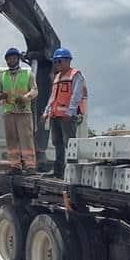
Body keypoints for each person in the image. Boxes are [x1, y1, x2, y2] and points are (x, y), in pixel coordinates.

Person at [42, 48, 88, 178]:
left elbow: (76, 94)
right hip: (55, 114)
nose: (57, 64)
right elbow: (53, 96)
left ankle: (73, 171)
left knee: (70, 143)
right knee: (57, 143)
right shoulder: (57, 76)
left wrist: (70, 111)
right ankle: (58, 171)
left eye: (59, 61)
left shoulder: (75, 74)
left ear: (68, 61)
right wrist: (46, 111)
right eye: (55, 62)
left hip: (67, 116)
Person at [0, 47, 38, 173]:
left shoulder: (27, 74)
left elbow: (35, 90)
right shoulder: (2, 76)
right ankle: (15, 165)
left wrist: (25, 97)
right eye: (9, 59)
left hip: (23, 111)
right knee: (11, 140)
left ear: (18, 59)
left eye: (13, 58)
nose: (11, 60)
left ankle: (30, 165)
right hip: (8, 112)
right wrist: (0, 96)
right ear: (6, 61)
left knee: (26, 138)